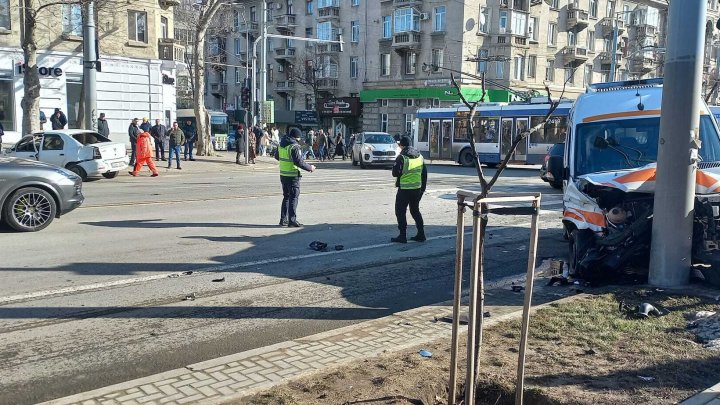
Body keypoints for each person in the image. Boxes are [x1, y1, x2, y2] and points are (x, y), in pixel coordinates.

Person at [274, 127, 316, 227]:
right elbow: (298, 162)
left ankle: (283, 219)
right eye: (299, 138)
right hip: (292, 175)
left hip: (283, 174)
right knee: (294, 198)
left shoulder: (282, 144)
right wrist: (310, 167)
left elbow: (276, 156)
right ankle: (292, 220)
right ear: (296, 137)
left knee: (286, 197)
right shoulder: (294, 146)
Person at [391, 136, 428, 243]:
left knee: (400, 212)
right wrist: (422, 189)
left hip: (405, 189)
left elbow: (395, 173)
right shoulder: (419, 156)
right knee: (415, 211)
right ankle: (421, 234)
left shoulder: (402, 157)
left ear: (401, 145)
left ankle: (402, 236)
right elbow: (424, 174)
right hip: (417, 189)